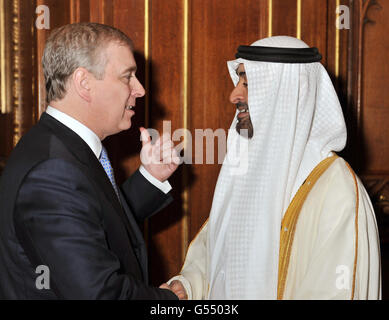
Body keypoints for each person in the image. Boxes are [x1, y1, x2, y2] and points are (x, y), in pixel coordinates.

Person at [163, 36, 381, 300]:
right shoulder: (246, 174)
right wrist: (188, 287)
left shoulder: (337, 191)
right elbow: (217, 256)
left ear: (289, 91)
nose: (234, 95)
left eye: (249, 82)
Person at [0, 22, 180, 299]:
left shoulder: (61, 148)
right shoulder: (52, 171)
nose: (140, 89)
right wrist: (170, 300)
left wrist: (151, 177)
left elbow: (95, 220)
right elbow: (97, 293)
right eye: (127, 77)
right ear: (84, 83)